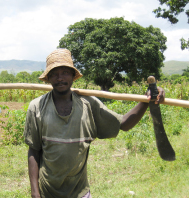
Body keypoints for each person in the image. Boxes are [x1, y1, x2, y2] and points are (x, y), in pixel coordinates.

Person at [24, 48, 164, 198]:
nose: (60, 78)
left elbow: (123, 123)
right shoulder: (37, 107)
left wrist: (146, 101)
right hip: (47, 191)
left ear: (73, 76)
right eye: (54, 74)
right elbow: (34, 150)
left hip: (79, 192)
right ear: (48, 78)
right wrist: (35, 192)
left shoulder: (88, 105)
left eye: (65, 72)